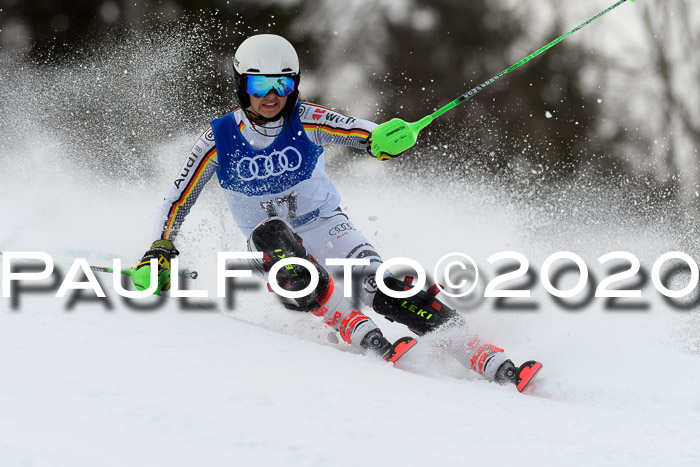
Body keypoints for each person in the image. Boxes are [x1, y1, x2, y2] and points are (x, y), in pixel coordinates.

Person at [133, 34, 541, 391]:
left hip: (329, 227)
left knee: (386, 287)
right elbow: (177, 198)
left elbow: (362, 132)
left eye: (283, 83)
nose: (271, 95)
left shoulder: (306, 118)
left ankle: (481, 353)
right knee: (272, 235)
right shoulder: (218, 138)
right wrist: (160, 248)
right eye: (260, 83)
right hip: (273, 250)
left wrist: (384, 139)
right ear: (243, 85)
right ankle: (349, 322)